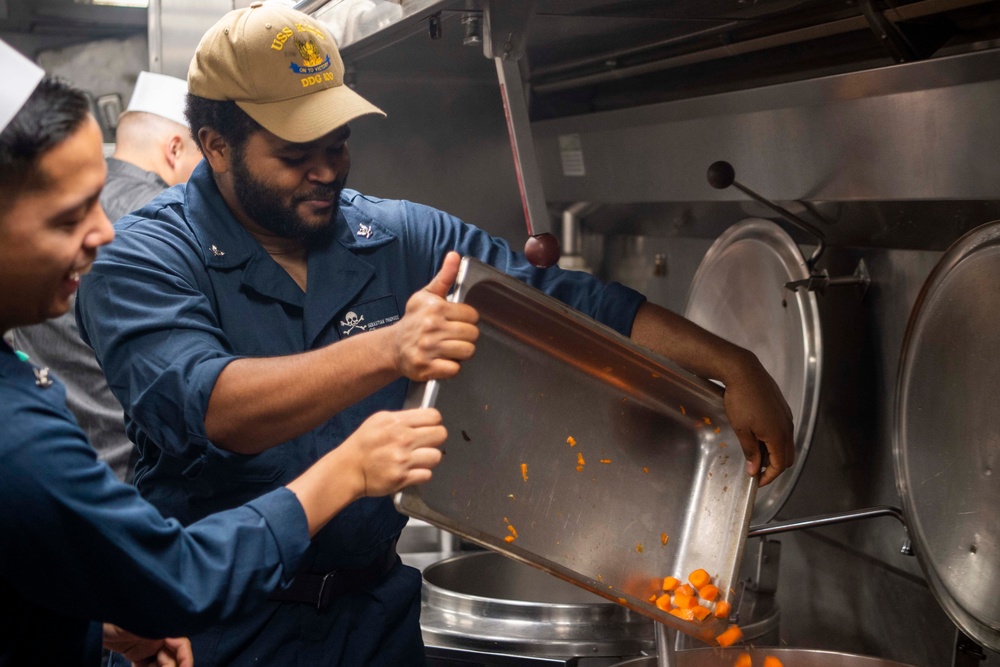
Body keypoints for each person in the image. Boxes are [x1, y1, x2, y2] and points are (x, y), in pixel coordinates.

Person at [76, 4, 794, 665]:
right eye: (296, 154)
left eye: (339, 142)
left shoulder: (393, 235)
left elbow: (559, 301)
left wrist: (732, 364)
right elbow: (213, 408)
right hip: (214, 629)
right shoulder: (142, 258)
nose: (326, 169)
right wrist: (390, 347)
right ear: (216, 146)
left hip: (371, 618)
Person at [0, 58, 447, 666]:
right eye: (68, 216)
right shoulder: (15, 427)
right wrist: (347, 470)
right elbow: (175, 574)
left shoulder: (387, 231)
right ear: (212, 147)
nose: (104, 232)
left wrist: (94, 625)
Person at [10, 70, 200, 481]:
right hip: (127, 464)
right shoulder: (162, 219)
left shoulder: (85, 190)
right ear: (174, 149)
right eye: (69, 219)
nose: (103, 233)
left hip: (65, 441)